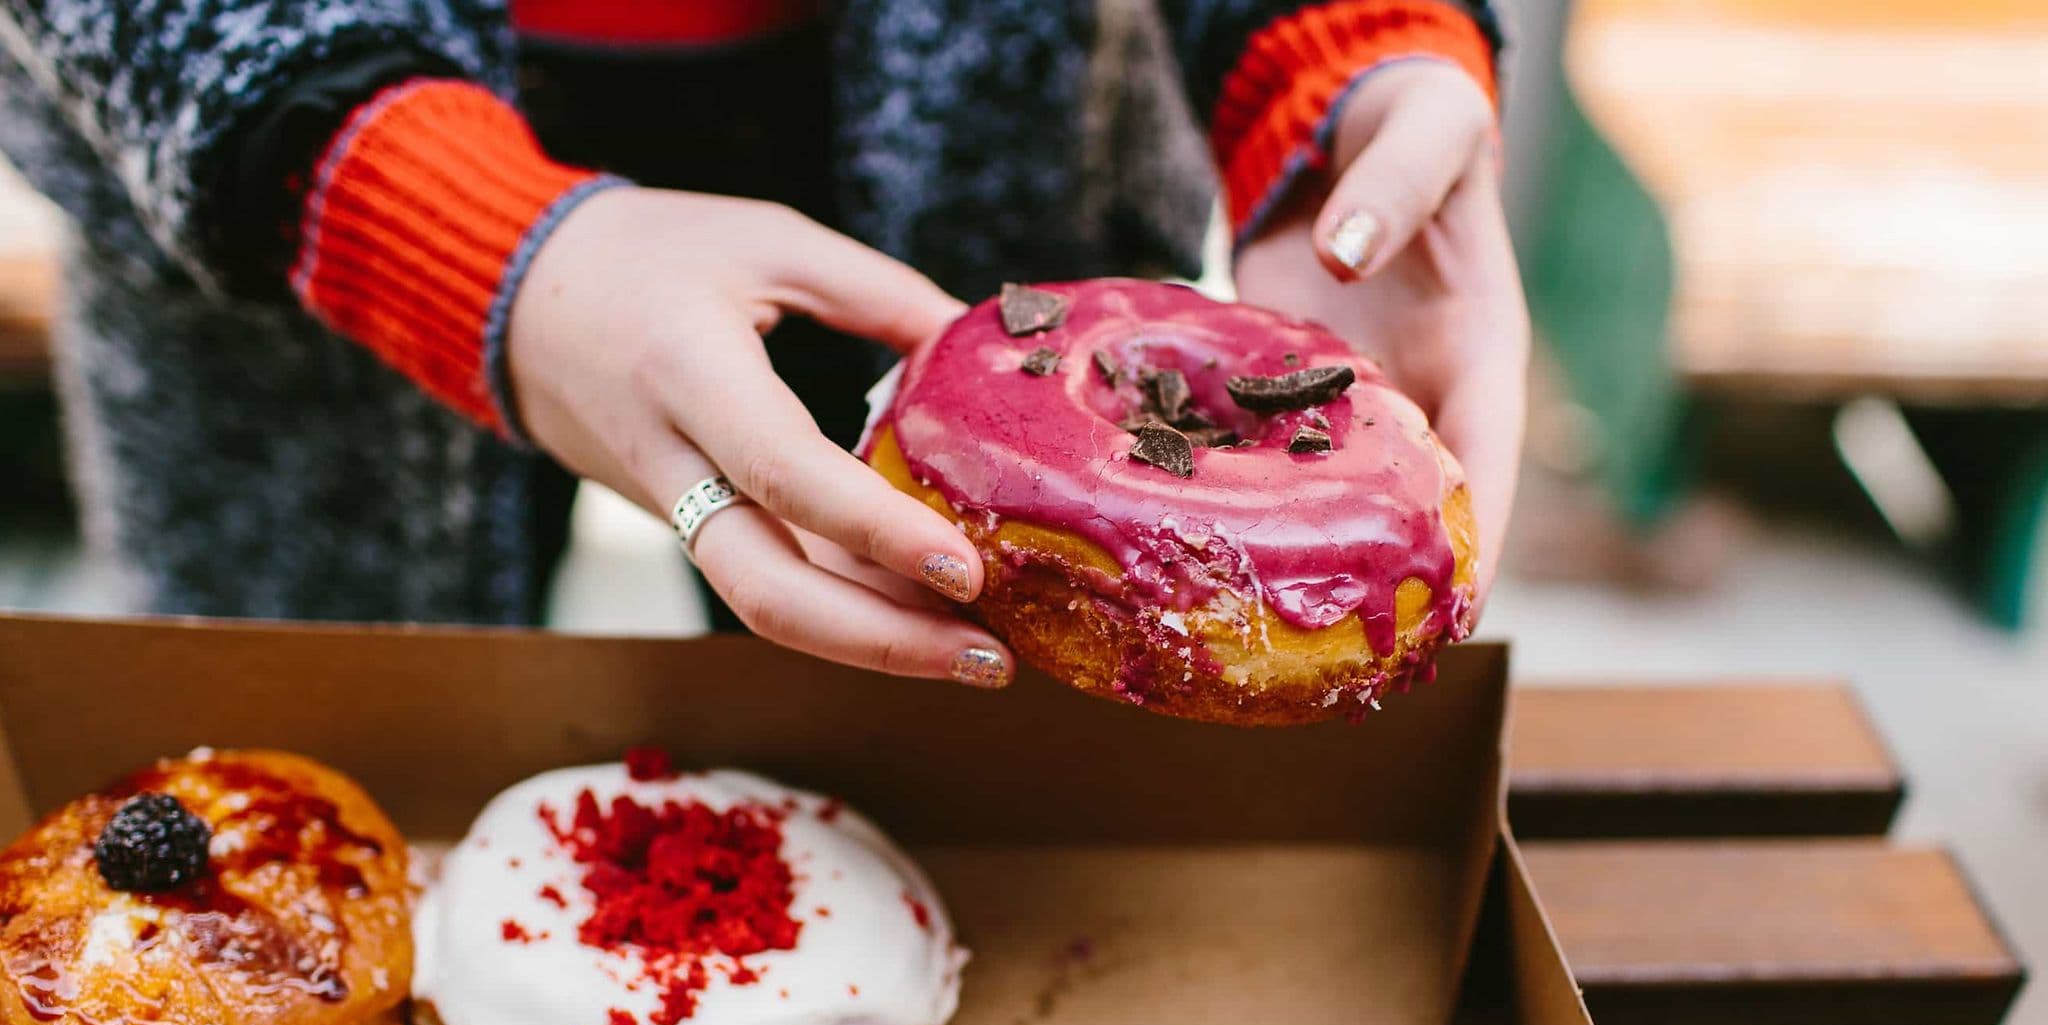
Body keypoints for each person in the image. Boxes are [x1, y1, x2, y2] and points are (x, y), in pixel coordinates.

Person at [0, 0, 1521, 690]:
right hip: (306, 175)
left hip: (984, 139)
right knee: (345, 734)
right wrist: (413, 208)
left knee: (935, 726)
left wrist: (1332, 40)